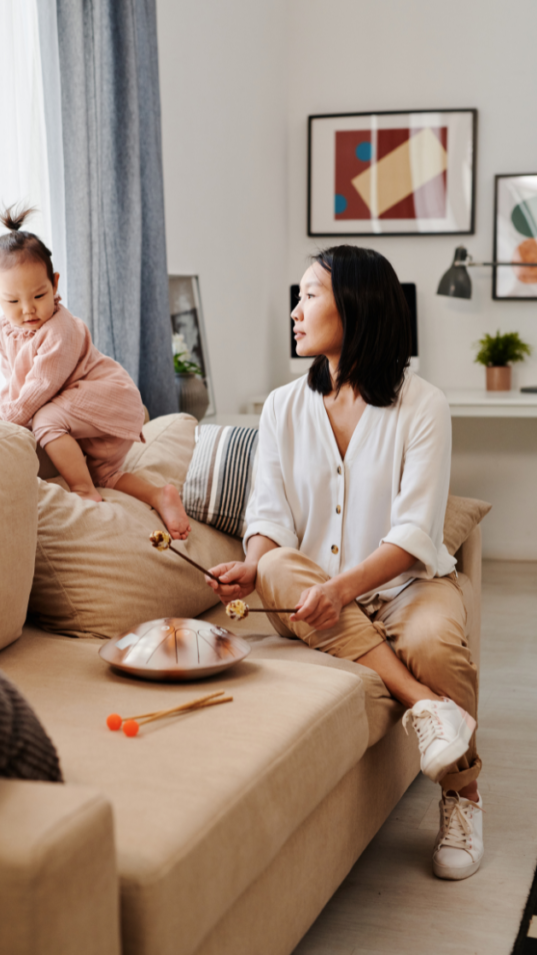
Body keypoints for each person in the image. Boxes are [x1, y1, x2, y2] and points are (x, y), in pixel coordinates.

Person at [207, 244, 483, 880]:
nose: (296, 312)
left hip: (407, 583)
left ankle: (462, 796)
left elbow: (416, 534)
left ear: (355, 306)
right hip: (309, 592)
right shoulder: (281, 407)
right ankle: (423, 706)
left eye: (310, 295)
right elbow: (267, 516)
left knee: (436, 641)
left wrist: (341, 591)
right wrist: (253, 566)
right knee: (277, 567)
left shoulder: (424, 405)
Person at [0, 205, 190, 539]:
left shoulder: (59, 329)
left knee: (45, 419)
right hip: (80, 414)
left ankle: (84, 492)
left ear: (55, 284)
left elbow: (39, 388)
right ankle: (159, 495)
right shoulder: (4, 330)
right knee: (105, 473)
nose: (28, 309)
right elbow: (15, 385)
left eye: (38, 295)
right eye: (12, 302)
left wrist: (5, 420)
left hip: (108, 396)